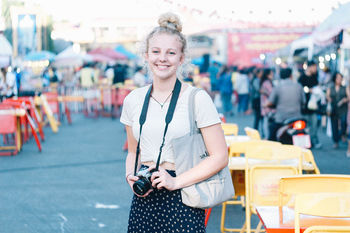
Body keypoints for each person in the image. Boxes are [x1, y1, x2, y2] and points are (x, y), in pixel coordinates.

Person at [120, 12, 228, 232]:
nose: (162, 58)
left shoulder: (197, 98)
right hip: (145, 196)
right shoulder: (133, 100)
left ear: (181, 58)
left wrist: (175, 181)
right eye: (156, 51)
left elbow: (220, 156)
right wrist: (130, 176)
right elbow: (133, 152)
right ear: (146, 55)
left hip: (185, 195)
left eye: (171, 53)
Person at [266, 67, 305, 141]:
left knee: (271, 137)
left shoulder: (277, 87)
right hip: (297, 117)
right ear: (291, 76)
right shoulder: (298, 86)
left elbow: (270, 102)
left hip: (281, 119)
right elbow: (303, 101)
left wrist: (266, 105)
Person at [298, 60, 322, 148]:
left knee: (314, 124)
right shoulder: (302, 78)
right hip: (304, 106)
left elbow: (317, 87)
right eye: (314, 67)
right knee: (305, 125)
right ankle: (306, 142)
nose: (316, 69)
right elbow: (300, 90)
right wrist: (309, 90)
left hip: (314, 105)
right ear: (310, 67)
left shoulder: (315, 77)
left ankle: (314, 141)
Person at [326, 72, 348, 149]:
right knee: (334, 125)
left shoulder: (345, 88)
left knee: (343, 123)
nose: (339, 79)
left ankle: (341, 135)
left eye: (340, 78)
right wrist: (329, 99)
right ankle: (335, 141)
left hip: (343, 109)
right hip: (334, 108)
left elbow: (348, 97)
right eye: (338, 78)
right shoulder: (330, 88)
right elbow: (327, 96)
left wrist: (344, 100)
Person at [260, 68, 274, 139]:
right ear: (268, 75)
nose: (273, 75)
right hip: (267, 106)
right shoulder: (267, 83)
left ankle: (266, 137)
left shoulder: (264, 82)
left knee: (265, 122)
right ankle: (267, 137)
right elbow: (272, 93)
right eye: (271, 73)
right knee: (267, 122)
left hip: (265, 105)